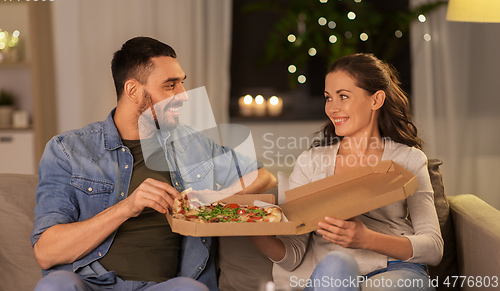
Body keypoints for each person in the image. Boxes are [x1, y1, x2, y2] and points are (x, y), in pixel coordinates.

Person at [31, 36, 277, 291]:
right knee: (56, 285)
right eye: (170, 86)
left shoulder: (191, 144)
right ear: (133, 90)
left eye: (182, 83)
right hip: (89, 284)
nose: (183, 96)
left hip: (165, 287)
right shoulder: (68, 150)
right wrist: (128, 206)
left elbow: (263, 176)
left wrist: (213, 199)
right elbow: (46, 252)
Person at [250, 53, 443, 290]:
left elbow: (433, 247)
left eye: (343, 96)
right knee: (337, 262)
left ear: (376, 100)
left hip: (395, 270)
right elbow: (292, 255)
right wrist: (251, 230)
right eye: (328, 98)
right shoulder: (311, 163)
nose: (332, 108)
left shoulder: (408, 159)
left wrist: (365, 239)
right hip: (334, 276)